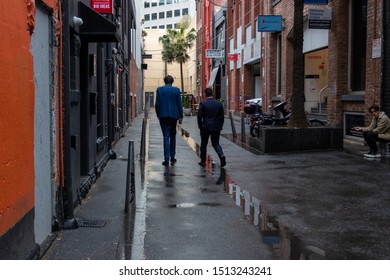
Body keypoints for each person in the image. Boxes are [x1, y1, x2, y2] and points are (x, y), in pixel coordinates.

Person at [155, 75, 183, 166]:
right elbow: (179, 104)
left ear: (164, 81)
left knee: (166, 136)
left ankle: (166, 159)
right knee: (173, 136)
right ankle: (172, 157)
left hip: (163, 115)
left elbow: (157, 104)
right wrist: (181, 116)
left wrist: (158, 115)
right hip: (173, 116)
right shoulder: (176, 90)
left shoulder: (159, 90)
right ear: (172, 81)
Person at [197, 87, 226, 167]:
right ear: (212, 93)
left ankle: (203, 161)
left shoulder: (203, 103)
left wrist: (200, 126)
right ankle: (221, 155)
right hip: (216, 126)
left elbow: (199, 116)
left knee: (204, 143)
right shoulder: (219, 104)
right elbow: (222, 116)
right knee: (216, 143)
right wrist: (220, 125)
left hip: (205, 126)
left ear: (205, 94)